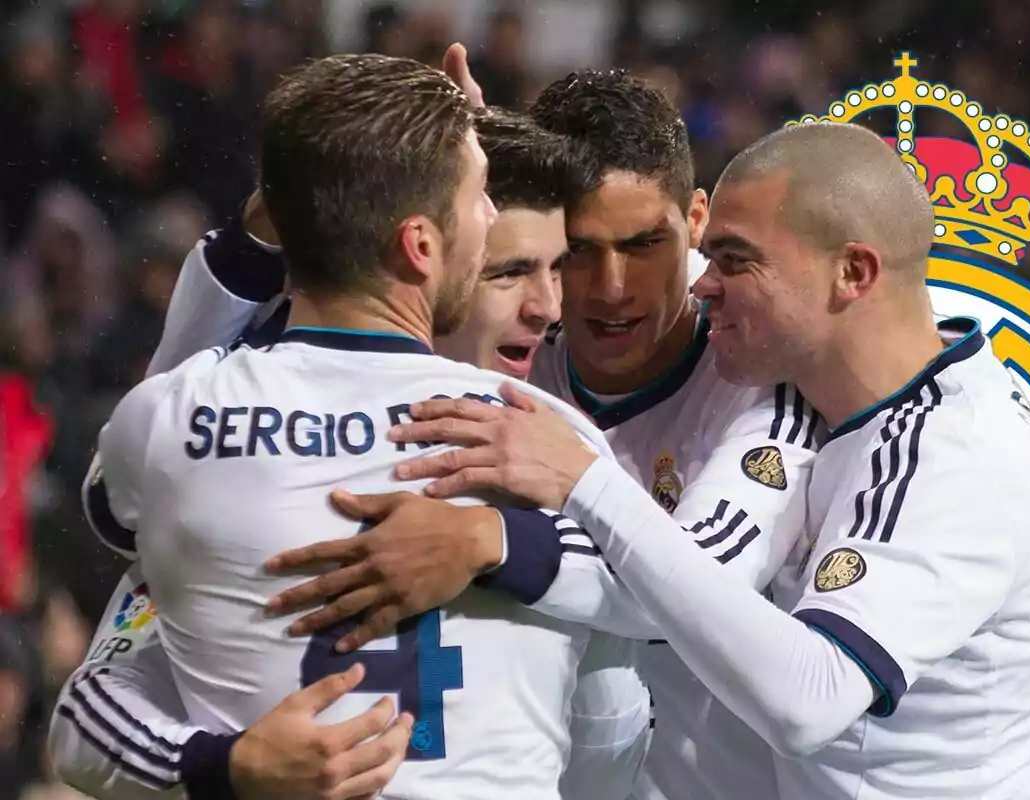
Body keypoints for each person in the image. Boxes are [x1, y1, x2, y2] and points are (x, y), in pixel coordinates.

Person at [374, 120, 1030, 799]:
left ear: (853, 273)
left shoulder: (954, 455)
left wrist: (580, 486)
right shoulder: (850, 411)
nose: (703, 282)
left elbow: (810, 698)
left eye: (735, 261)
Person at [67, 54, 646, 800]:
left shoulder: (170, 422)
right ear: (420, 246)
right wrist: (497, 540)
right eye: (480, 201)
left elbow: (84, 713)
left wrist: (227, 766)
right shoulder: (544, 441)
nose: (491, 215)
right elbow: (658, 601)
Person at [259, 68, 821, 800]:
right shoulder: (506, 330)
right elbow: (283, 354)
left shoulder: (755, 363)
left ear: (697, 221)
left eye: (645, 243)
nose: (611, 287)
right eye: (578, 251)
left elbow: (700, 586)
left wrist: (492, 541)